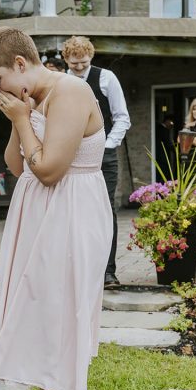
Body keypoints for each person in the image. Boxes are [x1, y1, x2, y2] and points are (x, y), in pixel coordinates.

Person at [0, 27, 112, 390]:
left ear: (19, 64)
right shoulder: (31, 100)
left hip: (71, 217)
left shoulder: (71, 92)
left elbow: (50, 171)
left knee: (62, 328)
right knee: (41, 325)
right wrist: (19, 117)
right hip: (42, 219)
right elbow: (17, 167)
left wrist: (20, 120)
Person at [62, 35, 130, 287]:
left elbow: (122, 117)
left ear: (91, 56)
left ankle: (108, 271)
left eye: (84, 62)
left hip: (104, 157)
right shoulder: (62, 81)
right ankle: (77, 270)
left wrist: (106, 145)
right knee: (73, 212)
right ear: (66, 59)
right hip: (71, 157)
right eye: (74, 63)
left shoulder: (106, 78)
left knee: (105, 209)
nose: (79, 67)